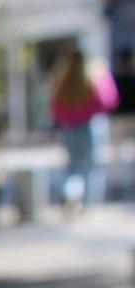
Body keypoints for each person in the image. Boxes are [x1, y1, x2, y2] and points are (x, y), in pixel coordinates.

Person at [49, 47, 118, 211]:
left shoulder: (61, 82)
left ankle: (69, 192)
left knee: (72, 167)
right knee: (88, 167)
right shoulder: (91, 81)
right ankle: (86, 203)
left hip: (69, 130)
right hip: (88, 129)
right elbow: (107, 102)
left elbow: (55, 109)